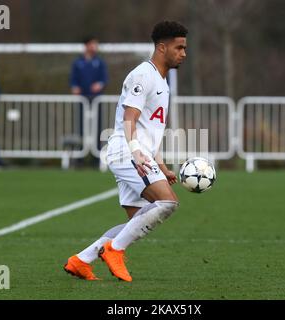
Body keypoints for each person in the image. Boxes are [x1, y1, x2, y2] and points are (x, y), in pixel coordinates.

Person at [64, 21, 188, 282]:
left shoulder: (163, 83)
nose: (183, 53)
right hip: (127, 152)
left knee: (136, 220)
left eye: (185, 48)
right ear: (162, 47)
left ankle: (81, 260)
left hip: (139, 153)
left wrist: (162, 166)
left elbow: (148, 132)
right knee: (168, 203)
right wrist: (135, 152)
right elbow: (129, 119)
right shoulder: (143, 74)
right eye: (179, 47)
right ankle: (114, 250)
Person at [69, 36, 108, 166]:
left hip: (96, 100)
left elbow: (104, 79)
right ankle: (80, 158)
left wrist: (100, 84)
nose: (95, 47)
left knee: (97, 127)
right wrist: (75, 87)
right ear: (86, 46)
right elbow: (73, 80)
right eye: (92, 44)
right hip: (82, 101)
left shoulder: (100, 62)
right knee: (81, 127)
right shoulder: (78, 62)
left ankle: (95, 160)